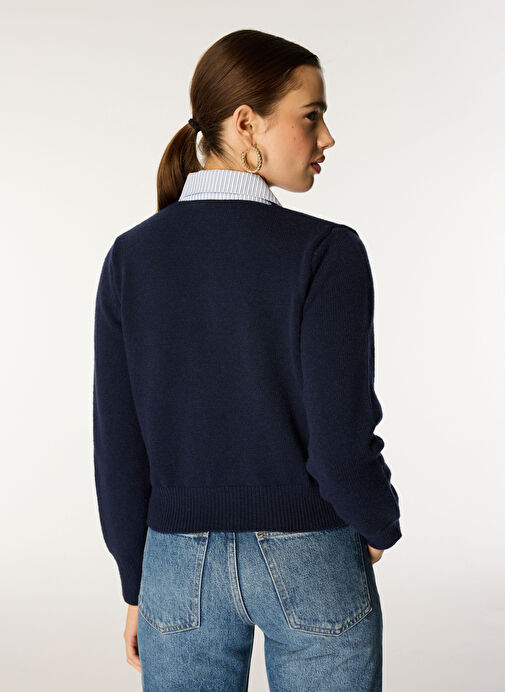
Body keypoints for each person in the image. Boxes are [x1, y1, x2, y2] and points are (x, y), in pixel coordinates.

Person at [93, 28, 402, 691]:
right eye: (311, 116)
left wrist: (135, 584)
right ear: (245, 123)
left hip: (175, 566)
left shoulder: (131, 257)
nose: (326, 138)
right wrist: (376, 519)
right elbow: (340, 438)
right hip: (312, 552)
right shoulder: (326, 252)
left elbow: (118, 445)